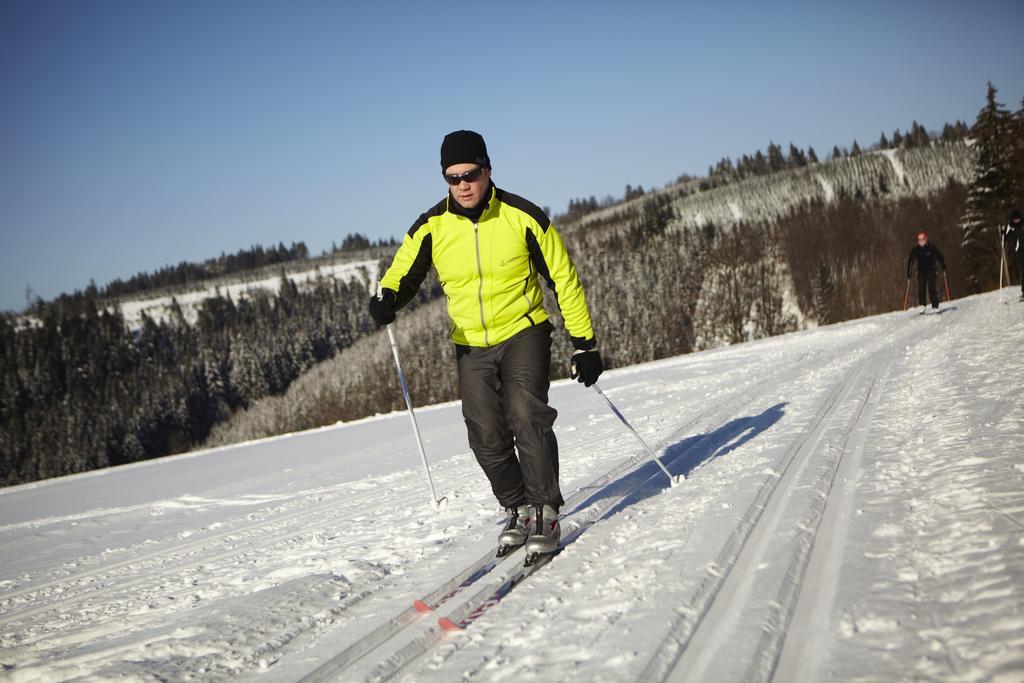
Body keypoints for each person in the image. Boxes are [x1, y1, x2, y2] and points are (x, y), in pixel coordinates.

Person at [368, 130, 602, 561]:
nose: (462, 184)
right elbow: (402, 273)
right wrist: (387, 298)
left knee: (524, 414)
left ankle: (545, 509)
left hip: (523, 330)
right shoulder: (431, 226)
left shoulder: (523, 216)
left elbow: (563, 278)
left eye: (470, 174)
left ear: (487, 169)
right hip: (471, 343)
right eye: (452, 177)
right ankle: (516, 507)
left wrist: (584, 344)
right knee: (484, 435)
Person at [906, 232, 946, 313]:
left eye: (923, 240)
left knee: (932, 288)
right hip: (921, 271)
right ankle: (922, 305)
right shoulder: (916, 249)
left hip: (931, 270)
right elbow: (910, 261)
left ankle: (935, 306)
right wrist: (909, 273)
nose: (921, 242)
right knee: (921, 288)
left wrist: (943, 266)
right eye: (920, 240)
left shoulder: (930, 248)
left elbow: (939, 256)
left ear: (926, 240)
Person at [1004, 208, 1023, 301]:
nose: (1016, 221)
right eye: (1015, 219)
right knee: (1023, 271)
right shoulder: (1011, 226)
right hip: (1020, 251)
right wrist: (1004, 236)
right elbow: (1006, 235)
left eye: (1018, 219)